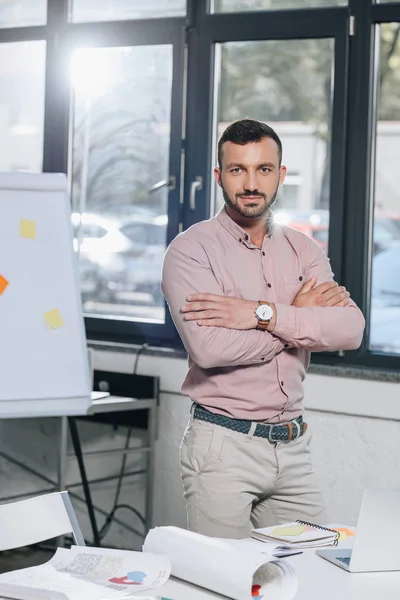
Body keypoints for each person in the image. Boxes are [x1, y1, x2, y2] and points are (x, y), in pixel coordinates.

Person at [161, 119, 365, 539]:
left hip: (293, 447)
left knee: (309, 570)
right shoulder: (190, 251)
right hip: (222, 444)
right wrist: (299, 317)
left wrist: (261, 313)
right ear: (219, 176)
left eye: (264, 169)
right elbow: (210, 349)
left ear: (281, 174)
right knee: (224, 580)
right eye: (238, 170)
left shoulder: (304, 249)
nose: (251, 183)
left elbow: (349, 330)